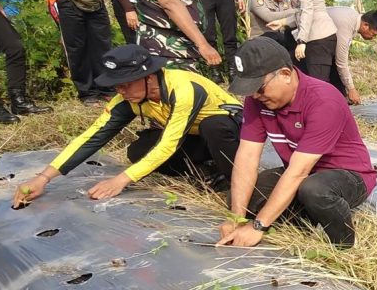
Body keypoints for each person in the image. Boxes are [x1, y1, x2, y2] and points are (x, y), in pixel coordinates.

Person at [13, 44, 241, 206]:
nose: (121, 91)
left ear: (149, 77)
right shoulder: (127, 99)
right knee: (138, 151)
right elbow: (92, 136)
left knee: (214, 126)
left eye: (126, 85)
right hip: (193, 137)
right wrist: (43, 177)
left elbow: (169, 144)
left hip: (230, 134)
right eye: (116, 87)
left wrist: (121, 180)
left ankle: (234, 182)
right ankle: (208, 169)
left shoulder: (183, 89)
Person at [216, 37, 376, 248]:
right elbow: (246, 157)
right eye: (249, 90)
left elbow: (298, 172)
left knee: (315, 190)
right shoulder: (257, 101)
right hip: (301, 173)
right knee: (241, 198)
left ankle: (344, 243)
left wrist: (258, 226)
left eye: (260, 88)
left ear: (285, 74)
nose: (255, 95)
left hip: (347, 176)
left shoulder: (323, 100)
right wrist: (236, 219)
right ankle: (306, 218)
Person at [324, 8, 377, 104]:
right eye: (373, 34)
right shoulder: (347, 24)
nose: (372, 38)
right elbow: (341, 62)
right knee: (321, 83)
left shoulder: (353, 16)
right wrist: (351, 89)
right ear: (365, 25)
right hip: (301, 36)